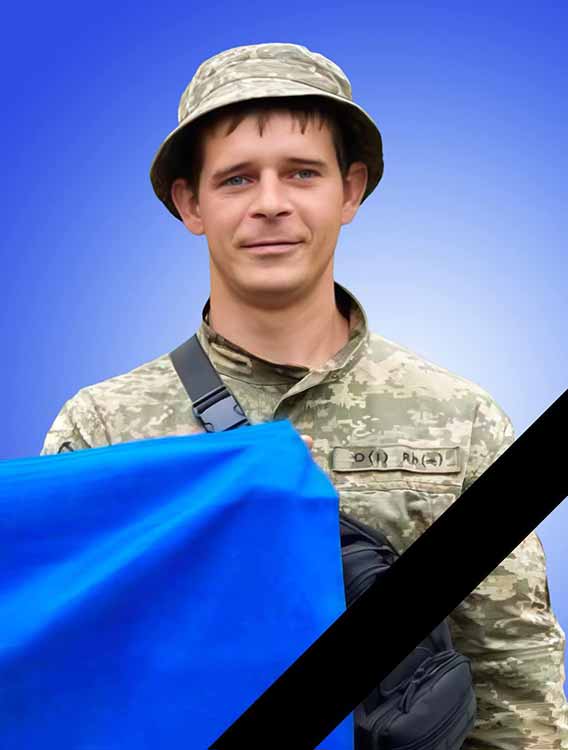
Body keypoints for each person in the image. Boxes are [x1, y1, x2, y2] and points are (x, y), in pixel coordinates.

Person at [40, 42, 568, 748]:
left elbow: (514, 684)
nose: (271, 204)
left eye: (301, 173)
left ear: (349, 191)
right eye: (236, 179)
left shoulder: (460, 421)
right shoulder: (102, 429)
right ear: (190, 202)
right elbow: (60, 676)